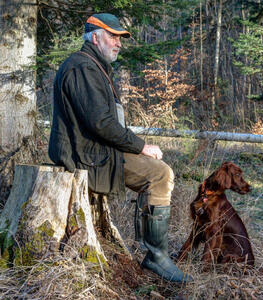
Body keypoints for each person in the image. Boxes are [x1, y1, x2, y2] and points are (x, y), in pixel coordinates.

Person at [48, 13, 192, 283]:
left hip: (97, 150)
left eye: (120, 38)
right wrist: (140, 146)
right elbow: (100, 123)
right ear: (94, 37)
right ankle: (156, 257)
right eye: (113, 36)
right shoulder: (82, 67)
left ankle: (155, 254)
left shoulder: (94, 65)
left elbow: (103, 122)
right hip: (87, 156)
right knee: (160, 174)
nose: (118, 43)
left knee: (161, 171)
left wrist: (134, 146)